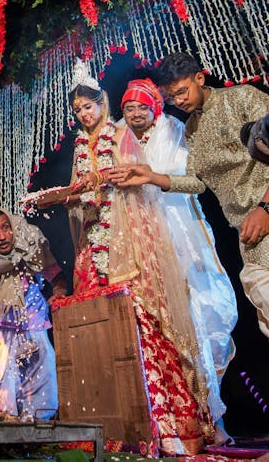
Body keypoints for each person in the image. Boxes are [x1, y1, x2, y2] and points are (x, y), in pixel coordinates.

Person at [38, 59, 214, 455]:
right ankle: (105, 423)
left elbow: (141, 180)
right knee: (96, 328)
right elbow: (79, 191)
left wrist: (110, 184)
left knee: (137, 326)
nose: (84, 114)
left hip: (127, 242)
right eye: (77, 110)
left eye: (89, 106)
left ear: (103, 103)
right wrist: (67, 196)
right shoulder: (79, 146)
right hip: (93, 242)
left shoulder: (121, 135)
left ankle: (160, 427)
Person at [109, 52, 269, 340]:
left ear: (200, 78)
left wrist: (265, 206)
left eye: (182, 91)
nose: (179, 101)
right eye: (172, 97)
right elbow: (198, 182)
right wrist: (151, 176)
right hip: (247, 228)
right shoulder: (192, 128)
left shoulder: (242, 98)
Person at [118, 77, 238, 443]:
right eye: (128, 107)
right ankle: (167, 422)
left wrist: (152, 179)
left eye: (142, 106)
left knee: (202, 315)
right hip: (141, 241)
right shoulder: (118, 136)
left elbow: (193, 178)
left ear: (155, 106)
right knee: (155, 327)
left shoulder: (175, 129)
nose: (135, 114)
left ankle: (210, 418)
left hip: (182, 232)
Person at [0, 207, 67, 420]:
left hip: (32, 320)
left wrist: (59, 293)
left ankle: (37, 424)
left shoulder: (29, 248)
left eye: (5, 228)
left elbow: (57, 278)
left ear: (13, 227)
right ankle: (4, 425)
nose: (2, 237)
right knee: (3, 382)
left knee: (41, 377)